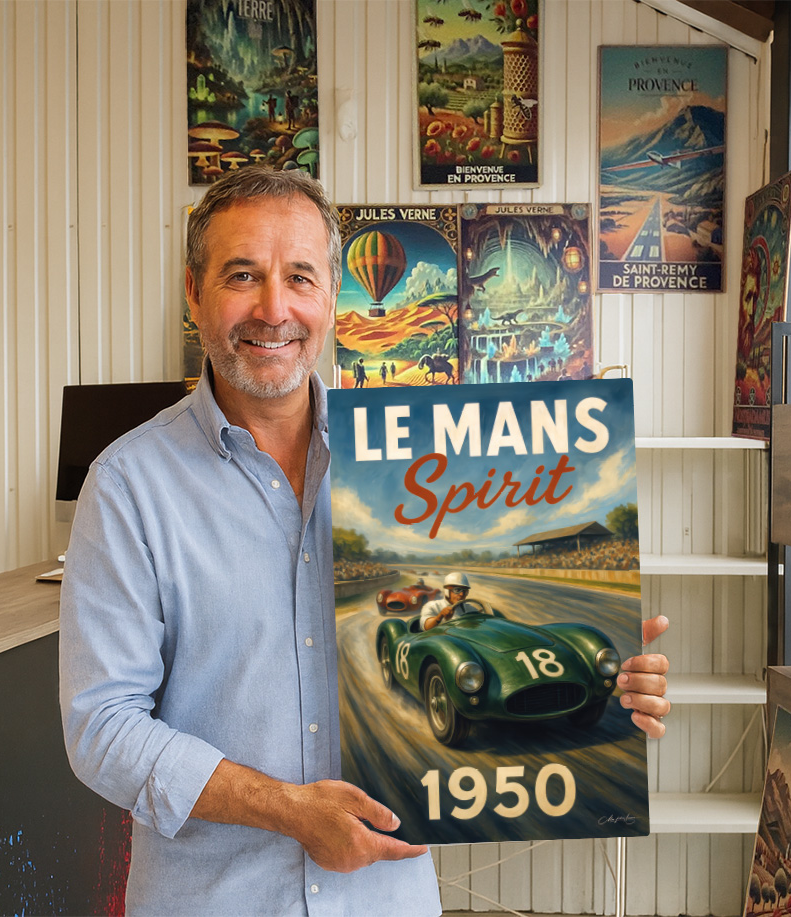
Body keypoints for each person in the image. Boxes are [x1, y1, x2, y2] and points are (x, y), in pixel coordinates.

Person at [58, 167, 673, 916]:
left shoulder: (414, 458)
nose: (273, 308)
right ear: (194, 292)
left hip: (386, 899)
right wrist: (288, 808)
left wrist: (614, 678)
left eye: (301, 277)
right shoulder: (127, 485)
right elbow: (101, 727)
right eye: (242, 275)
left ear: (334, 297)